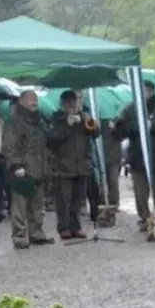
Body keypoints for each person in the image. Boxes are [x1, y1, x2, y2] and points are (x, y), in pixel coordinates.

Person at [112, 80, 155, 241]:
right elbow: (122, 131)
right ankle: (144, 217)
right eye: (141, 90)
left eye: (146, 90)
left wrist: (154, 125)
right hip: (138, 157)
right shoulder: (129, 109)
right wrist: (132, 126)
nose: (144, 93)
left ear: (152, 91)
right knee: (141, 192)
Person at [2, 89, 54, 249]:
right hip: (22, 170)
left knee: (37, 205)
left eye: (36, 99)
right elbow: (9, 146)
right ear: (21, 101)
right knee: (20, 206)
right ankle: (18, 236)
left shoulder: (39, 121)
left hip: (39, 168)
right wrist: (16, 165)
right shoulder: (14, 122)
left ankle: (36, 233)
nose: (35, 102)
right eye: (31, 99)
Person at [47, 90, 98, 239]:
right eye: (69, 102)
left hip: (81, 165)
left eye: (75, 102)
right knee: (64, 200)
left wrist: (87, 120)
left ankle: (76, 227)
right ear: (63, 104)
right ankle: (64, 227)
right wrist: (67, 125)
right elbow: (52, 140)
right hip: (63, 166)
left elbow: (95, 133)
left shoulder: (84, 116)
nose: (73, 105)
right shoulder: (56, 119)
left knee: (78, 199)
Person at [97, 116, 123, 227]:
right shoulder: (95, 115)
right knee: (100, 184)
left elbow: (122, 135)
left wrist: (115, 128)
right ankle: (101, 206)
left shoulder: (117, 118)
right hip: (99, 154)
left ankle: (113, 205)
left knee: (113, 182)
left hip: (114, 156)